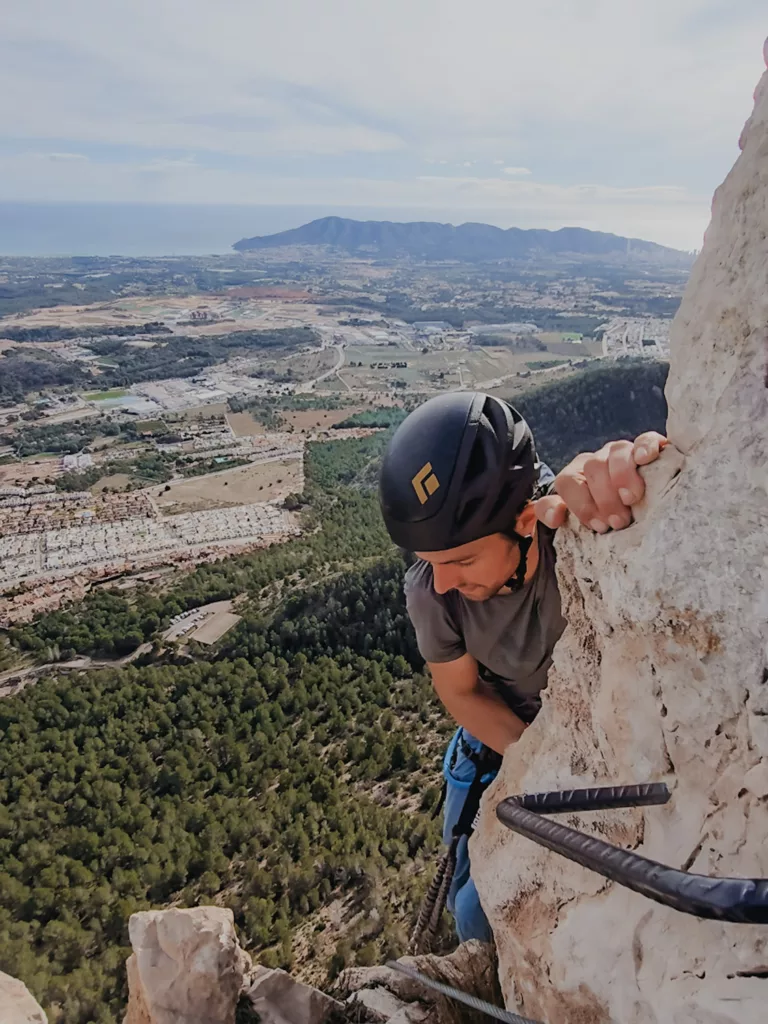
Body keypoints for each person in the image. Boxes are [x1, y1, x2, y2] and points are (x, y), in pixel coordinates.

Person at [378, 391, 667, 943]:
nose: (443, 581)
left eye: (461, 560)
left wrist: (624, 480)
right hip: (494, 748)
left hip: (588, 751)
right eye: (432, 563)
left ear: (524, 519)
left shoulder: (573, 539)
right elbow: (462, 694)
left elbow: (595, 493)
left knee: (478, 914)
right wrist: (540, 762)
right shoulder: (433, 593)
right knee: (470, 901)